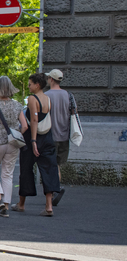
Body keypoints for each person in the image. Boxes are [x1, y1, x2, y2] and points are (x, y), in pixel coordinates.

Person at [11, 73, 60, 216]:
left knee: (26, 169)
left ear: (37, 85)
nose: (28, 86)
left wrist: (33, 141)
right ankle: (49, 206)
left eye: (30, 83)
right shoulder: (48, 99)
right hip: (48, 138)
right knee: (49, 170)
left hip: (33, 138)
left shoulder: (33, 99)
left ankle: (21, 204)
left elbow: (33, 120)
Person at [0, 76, 28, 217]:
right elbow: (25, 125)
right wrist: (17, 134)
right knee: (7, 174)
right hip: (12, 143)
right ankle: (6, 206)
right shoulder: (17, 105)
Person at [45, 69, 76, 206]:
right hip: (64, 136)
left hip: (50, 136)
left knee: (49, 166)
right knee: (57, 165)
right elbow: (73, 113)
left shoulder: (46, 96)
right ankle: (55, 191)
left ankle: (53, 192)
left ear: (51, 79)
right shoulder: (69, 96)